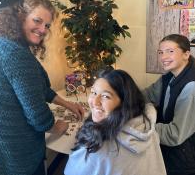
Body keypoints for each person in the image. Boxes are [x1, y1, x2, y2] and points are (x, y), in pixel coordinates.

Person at [0, 0, 84, 175]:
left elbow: (39, 88)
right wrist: (58, 127)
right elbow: (39, 118)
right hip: (8, 148)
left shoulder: (1, 43)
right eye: (37, 21)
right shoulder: (16, 56)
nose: (42, 30)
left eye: (47, 25)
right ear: (20, 16)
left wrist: (68, 104)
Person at [65, 69, 166, 175]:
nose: (94, 102)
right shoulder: (147, 128)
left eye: (105, 96)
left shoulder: (99, 150)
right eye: (93, 92)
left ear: (124, 103)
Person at [143, 34, 195, 175]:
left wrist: (140, 126)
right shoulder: (169, 76)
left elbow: (175, 134)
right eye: (161, 52)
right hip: (167, 152)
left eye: (170, 51)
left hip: (183, 160)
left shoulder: (191, 86)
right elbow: (146, 95)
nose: (163, 57)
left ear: (186, 54)